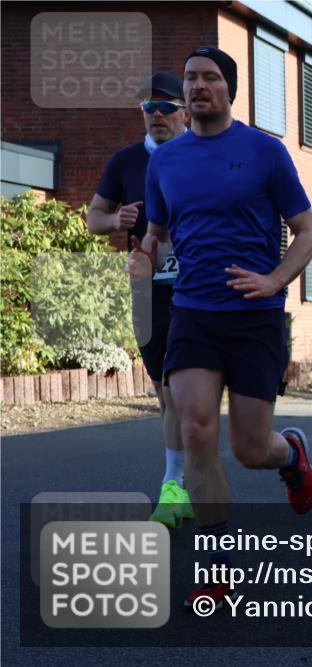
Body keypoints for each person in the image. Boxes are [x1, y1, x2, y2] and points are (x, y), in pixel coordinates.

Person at [135, 47, 312, 610]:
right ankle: (217, 566)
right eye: (190, 78)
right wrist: (144, 255)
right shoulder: (165, 161)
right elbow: (159, 235)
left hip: (254, 317)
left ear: (230, 90)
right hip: (193, 312)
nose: (197, 86)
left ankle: (290, 454)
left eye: (210, 78)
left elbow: (308, 232)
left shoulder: (265, 152)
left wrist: (275, 279)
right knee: (194, 428)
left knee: (249, 448)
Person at [87, 72, 193, 528]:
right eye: (149, 107)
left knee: (176, 389)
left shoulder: (200, 156)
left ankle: (173, 485)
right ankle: (183, 481)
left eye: (166, 107)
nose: (156, 115)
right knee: (166, 395)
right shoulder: (126, 162)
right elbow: (93, 217)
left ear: (185, 114)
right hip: (148, 292)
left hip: (196, 290)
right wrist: (115, 221)